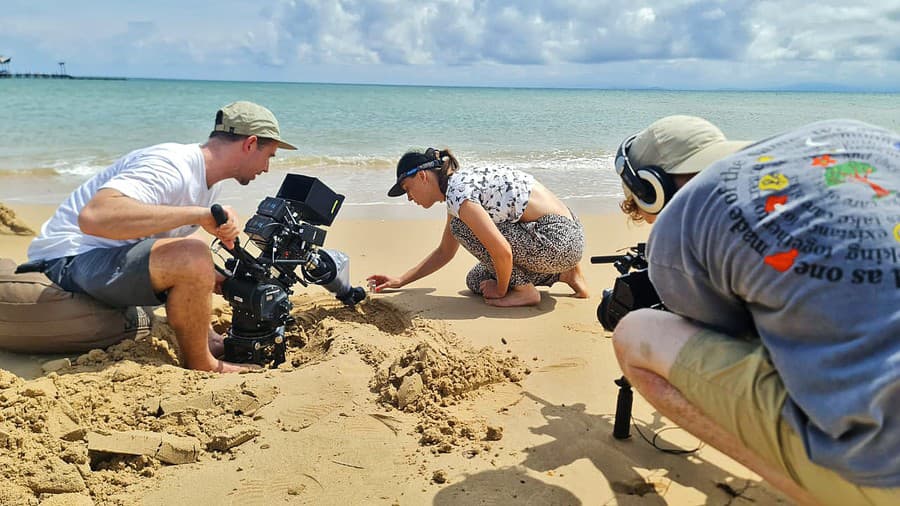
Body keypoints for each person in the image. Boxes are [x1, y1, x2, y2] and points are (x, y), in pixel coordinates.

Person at [609, 115, 900, 505]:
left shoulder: (681, 218)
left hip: (888, 467)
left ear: (651, 190)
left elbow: (725, 336)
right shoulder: (850, 137)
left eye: (643, 211)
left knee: (636, 333)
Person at [25, 101, 297, 373]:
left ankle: (209, 341)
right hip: (67, 258)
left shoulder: (209, 182)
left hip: (102, 256)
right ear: (250, 144)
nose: (267, 168)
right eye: (270, 156)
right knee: (193, 255)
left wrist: (219, 277)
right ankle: (204, 364)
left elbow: (160, 240)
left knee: (204, 262)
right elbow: (94, 217)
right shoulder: (171, 165)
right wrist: (199, 216)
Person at [367, 148, 588, 307]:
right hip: (568, 237)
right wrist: (400, 280)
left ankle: (525, 292)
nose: (409, 198)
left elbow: (502, 251)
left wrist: (501, 291)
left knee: (462, 229)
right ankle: (565, 274)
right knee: (477, 280)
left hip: (556, 240)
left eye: (408, 188)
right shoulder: (459, 187)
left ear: (423, 176)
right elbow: (445, 252)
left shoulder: (459, 194)